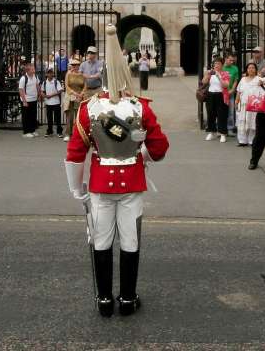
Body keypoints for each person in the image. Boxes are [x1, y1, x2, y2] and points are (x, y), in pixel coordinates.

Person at [64, 24, 169, 317]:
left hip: (99, 184)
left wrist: (77, 189)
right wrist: (142, 154)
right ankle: (126, 298)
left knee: (101, 239)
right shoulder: (141, 108)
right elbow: (160, 148)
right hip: (132, 183)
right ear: (125, 74)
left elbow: (75, 153)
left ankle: (104, 300)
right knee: (130, 240)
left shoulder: (88, 109)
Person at [200, 58, 230, 142]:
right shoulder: (210, 73)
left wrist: (219, 76)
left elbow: (226, 86)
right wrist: (207, 75)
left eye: (218, 64)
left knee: (222, 115)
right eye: (215, 64)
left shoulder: (225, 73)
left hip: (221, 95)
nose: (216, 65)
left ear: (222, 65)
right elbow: (204, 82)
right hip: (210, 95)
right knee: (210, 114)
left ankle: (222, 133)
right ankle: (211, 132)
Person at [234, 62, 262, 147]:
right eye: (249, 68)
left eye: (253, 68)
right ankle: (242, 140)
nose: (251, 69)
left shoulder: (259, 79)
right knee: (242, 121)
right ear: (247, 69)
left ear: (256, 69)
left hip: (253, 105)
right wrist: (236, 101)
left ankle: (252, 140)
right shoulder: (243, 79)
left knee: (252, 122)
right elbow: (239, 91)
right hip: (243, 104)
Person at [63, 58, 86, 142]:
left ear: (79, 66)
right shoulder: (68, 74)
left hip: (79, 97)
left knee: (78, 117)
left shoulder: (81, 74)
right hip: (70, 96)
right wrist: (74, 93)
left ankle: (77, 134)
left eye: (76, 65)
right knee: (70, 116)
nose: (75, 66)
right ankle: (68, 134)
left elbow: (85, 85)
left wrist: (81, 93)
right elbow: (67, 86)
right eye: (73, 65)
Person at [18, 62, 41, 137]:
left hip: (33, 99)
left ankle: (32, 130)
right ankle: (26, 132)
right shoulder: (23, 78)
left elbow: (37, 86)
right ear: (28, 70)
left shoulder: (35, 76)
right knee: (26, 116)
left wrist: (39, 95)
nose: (34, 70)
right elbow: (21, 90)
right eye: (32, 69)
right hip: (26, 100)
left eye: (34, 68)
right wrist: (24, 101)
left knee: (33, 116)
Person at [43, 69, 64, 138]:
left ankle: (59, 131)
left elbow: (60, 90)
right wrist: (44, 95)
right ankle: (49, 131)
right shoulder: (44, 82)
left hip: (56, 102)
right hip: (48, 103)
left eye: (51, 73)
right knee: (49, 118)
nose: (50, 74)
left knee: (57, 118)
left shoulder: (56, 82)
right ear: (46, 74)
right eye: (48, 73)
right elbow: (42, 91)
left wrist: (51, 95)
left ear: (53, 74)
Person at [223, 53, 240, 135]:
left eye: (233, 60)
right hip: (222, 93)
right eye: (230, 60)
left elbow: (236, 80)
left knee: (230, 111)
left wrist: (233, 89)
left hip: (230, 93)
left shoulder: (235, 68)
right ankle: (221, 128)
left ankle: (230, 128)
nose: (232, 62)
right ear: (226, 59)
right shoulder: (221, 68)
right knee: (221, 111)